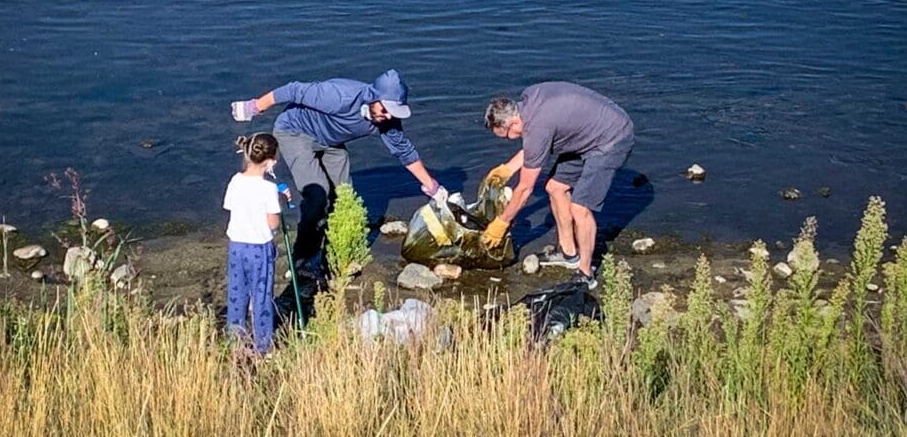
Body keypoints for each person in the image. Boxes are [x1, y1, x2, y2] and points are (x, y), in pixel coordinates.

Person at [230, 69, 441, 277]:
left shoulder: (388, 119)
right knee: (317, 196)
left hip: (331, 141)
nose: (388, 117)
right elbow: (293, 90)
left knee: (345, 197)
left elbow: (404, 151)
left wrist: (432, 187)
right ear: (373, 98)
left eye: (394, 113)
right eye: (386, 110)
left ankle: (336, 252)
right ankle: (302, 260)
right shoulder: (339, 97)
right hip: (295, 132)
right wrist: (254, 107)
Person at [480, 82, 634, 290]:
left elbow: (525, 188)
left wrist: (502, 222)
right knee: (555, 187)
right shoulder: (528, 100)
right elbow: (535, 148)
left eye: (506, 136)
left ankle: (586, 274)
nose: (509, 140)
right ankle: (568, 253)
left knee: (580, 208)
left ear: (514, 123)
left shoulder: (537, 127)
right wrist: (506, 170)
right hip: (584, 136)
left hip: (612, 138)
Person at [222, 132, 285, 354]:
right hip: (260, 249)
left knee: (237, 294)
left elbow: (230, 207)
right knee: (261, 297)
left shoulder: (235, 181)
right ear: (270, 162)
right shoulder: (268, 189)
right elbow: (273, 223)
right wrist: (281, 201)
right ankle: (262, 347)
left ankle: (235, 343)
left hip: (236, 247)